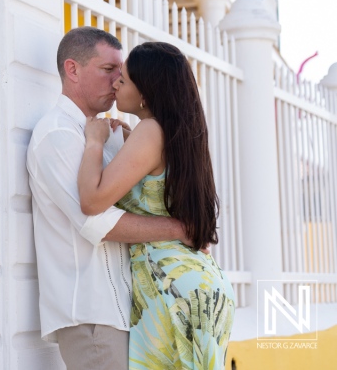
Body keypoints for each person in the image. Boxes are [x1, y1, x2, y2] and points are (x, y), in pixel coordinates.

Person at [27, 27, 194, 370]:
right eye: (108, 70)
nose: (118, 81)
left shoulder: (106, 134)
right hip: (91, 315)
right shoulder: (58, 134)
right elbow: (96, 222)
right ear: (72, 70)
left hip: (124, 313)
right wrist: (179, 228)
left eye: (121, 72)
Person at [78, 41, 235, 369]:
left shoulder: (150, 132)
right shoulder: (175, 133)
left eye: (125, 78)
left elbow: (92, 201)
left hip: (171, 288)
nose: (116, 83)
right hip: (199, 284)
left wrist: (94, 142)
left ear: (146, 92)